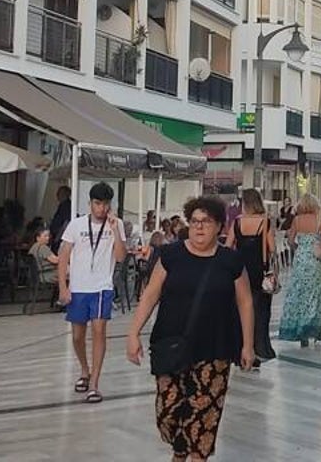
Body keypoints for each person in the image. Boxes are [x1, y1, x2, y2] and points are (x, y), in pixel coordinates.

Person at [126, 196, 255, 461]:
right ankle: (181, 450)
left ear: (219, 226)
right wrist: (133, 333)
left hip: (215, 349)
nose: (199, 227)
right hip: (171, 345)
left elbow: (245, 302)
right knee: (168, 412)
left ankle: (193, 455)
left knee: (203, 418)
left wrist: (248, 345)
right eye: (194, 221)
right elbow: (150, 295)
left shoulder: (230, 261)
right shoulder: (171, 255)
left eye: (206, 222)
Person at [57, 182, 126, 403]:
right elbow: (64, 255)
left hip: (101, 287)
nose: (101, 208)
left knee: (98, 331)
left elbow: (121, 257)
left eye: (105, 204)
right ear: (90, 203)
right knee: (77, 336)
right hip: (78, 287)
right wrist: (63, 286)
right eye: (97, 203)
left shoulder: (116, 225)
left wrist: (115, 230)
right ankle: (84, 370)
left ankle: (95, 383)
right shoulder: (76, 225)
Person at [226, 188, 276, 365]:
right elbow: (272, 248)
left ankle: (240, 349)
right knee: (260, 311)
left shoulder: (237, 222)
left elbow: (228, 245)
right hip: (259, 271)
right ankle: (259, 348)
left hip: (240, 270)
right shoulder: (265, 222)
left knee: (241, 310)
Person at [277, 193, 321, 347]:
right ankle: (315, 329)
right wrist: (318, 242)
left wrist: (299, 248)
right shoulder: (320, 219)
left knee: (300, 292)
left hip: (300, 259)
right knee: (315, 293)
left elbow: (291, 240)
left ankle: (301, 331)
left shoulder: (297, 220)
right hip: (315, 259)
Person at [27, 228, 59, 293]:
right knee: (70, 274)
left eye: (48, 236)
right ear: (38, 238)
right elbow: (56, 261)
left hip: (37, 275)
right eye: (45, 236)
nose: (48, 238)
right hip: (46, 274)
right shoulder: (43, 247)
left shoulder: (34, 247)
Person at [48, 185, 72, 252]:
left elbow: (66, 222)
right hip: (57, 236)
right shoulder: (62, 205)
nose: (57, 195)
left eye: (59, 193)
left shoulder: (66, 206)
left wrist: (58, 238)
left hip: (60, 238)